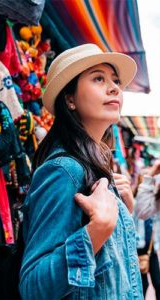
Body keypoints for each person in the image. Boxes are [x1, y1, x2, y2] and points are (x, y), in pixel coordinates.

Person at [19, 43, 143, 300]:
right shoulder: (63, 171)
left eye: (116, 81)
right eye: (98, 78)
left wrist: (123, 213)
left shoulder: (97, 168)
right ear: (70, 99)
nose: (114, 88)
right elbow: (33, 287)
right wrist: (98, 230)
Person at [135, 161, 160, 300]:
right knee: (142, 284)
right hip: (140, 248)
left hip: (152, 249)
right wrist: (150, 175)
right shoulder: (136, 199)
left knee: (157, 282)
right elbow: (142, 212)